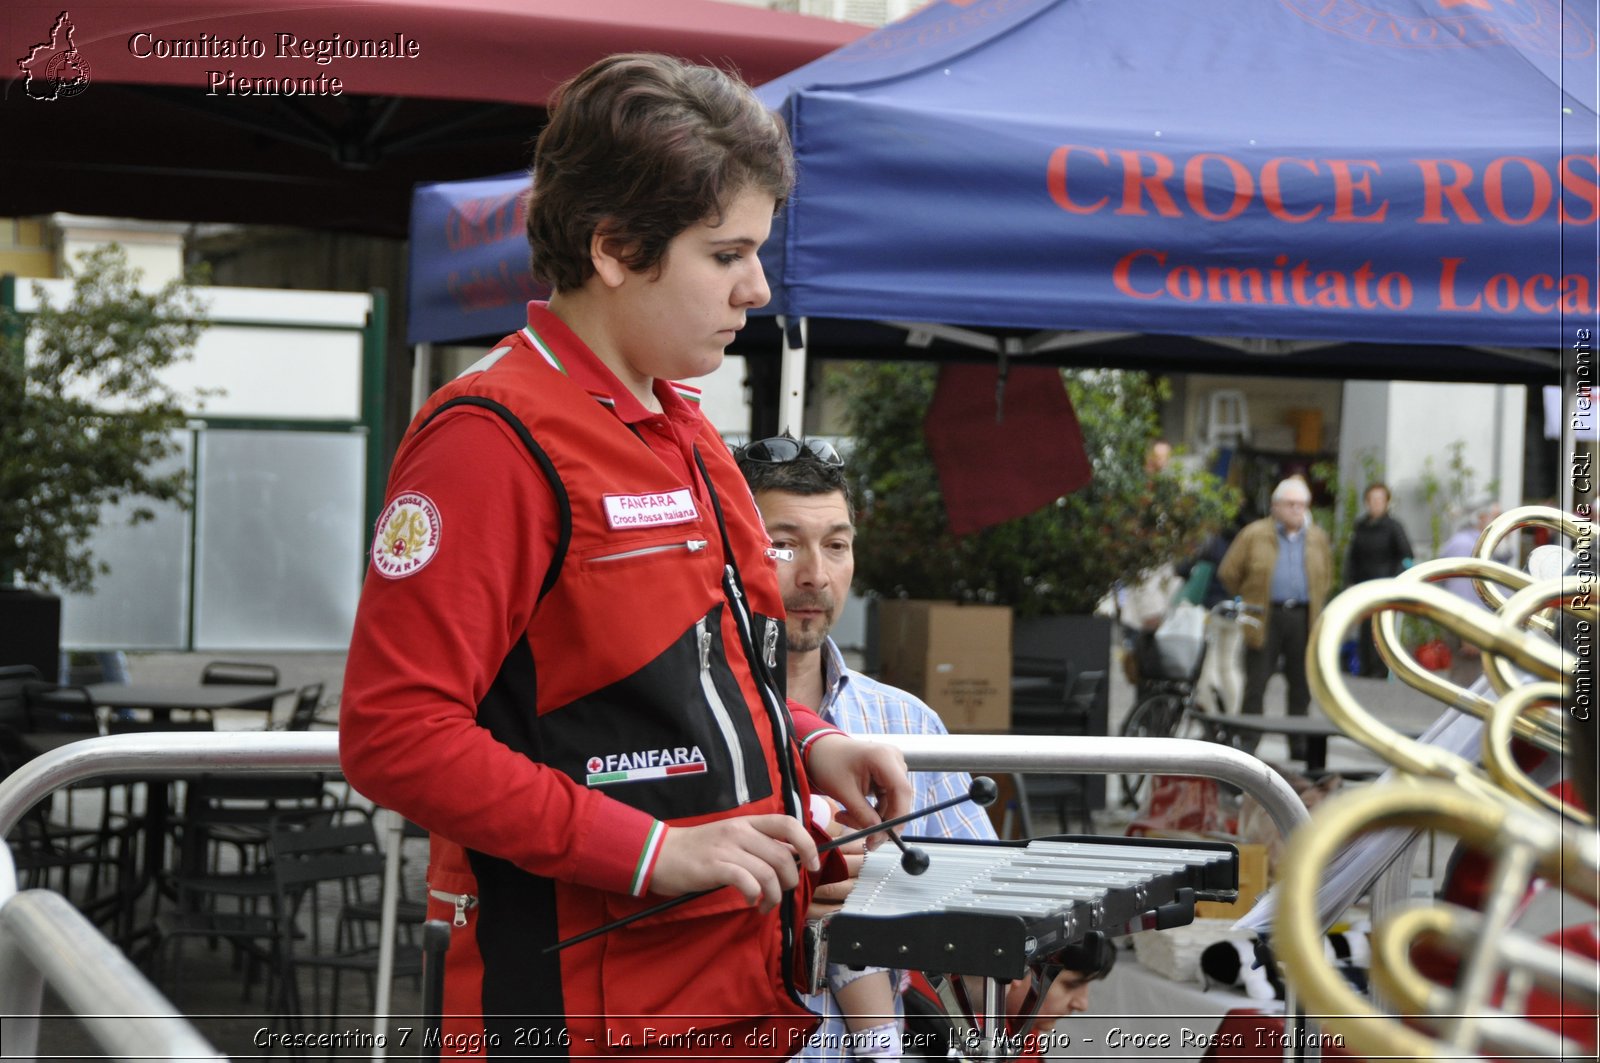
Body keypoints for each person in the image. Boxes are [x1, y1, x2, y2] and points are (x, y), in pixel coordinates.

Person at [337, 54, 911, 1057]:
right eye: (725, 253)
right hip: (577, 1010)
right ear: (612, 247)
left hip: (722, 995)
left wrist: (807, 741)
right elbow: (393, 732)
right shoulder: (490, 436)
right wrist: (652, 849)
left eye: (757, 250)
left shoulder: (679, 422)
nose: (758, 285)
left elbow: (696, 673)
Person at [735, 437, 998, 1062]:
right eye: (783, 543)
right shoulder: (680, 723)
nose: (814, 576)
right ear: (729, 550)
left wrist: (883, 893)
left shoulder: (904, 722)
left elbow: (989, 904)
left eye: (836, 545)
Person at [1218, 477, 1333, 756]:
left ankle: (1299, 747)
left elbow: (1326, 577)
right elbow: (1229, 572)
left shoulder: (1317, 538)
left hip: (1303, 617)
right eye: (1291, 504)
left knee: (1301, 686)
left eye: (1302, 504)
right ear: (1276, 506)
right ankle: (1247, 745)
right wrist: (1250, 596)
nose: (1297, 510)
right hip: (1265, 615)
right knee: (1256, 683)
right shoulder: (1255, 534)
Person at [1343, 482, 1414, 678]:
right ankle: (1364, 665)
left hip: (1385, 584)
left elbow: (1406, 556)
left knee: (1381, 628)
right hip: (1364, 584)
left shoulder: (1394, 527)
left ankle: (1381, 668)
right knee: (1365, 628)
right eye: (1372, 500)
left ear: (1386, 502)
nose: (1375, 504)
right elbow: (1353, 557)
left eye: (1380, 500)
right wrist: (1350, 581)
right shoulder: (1360, 526)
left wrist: (1395, 581)